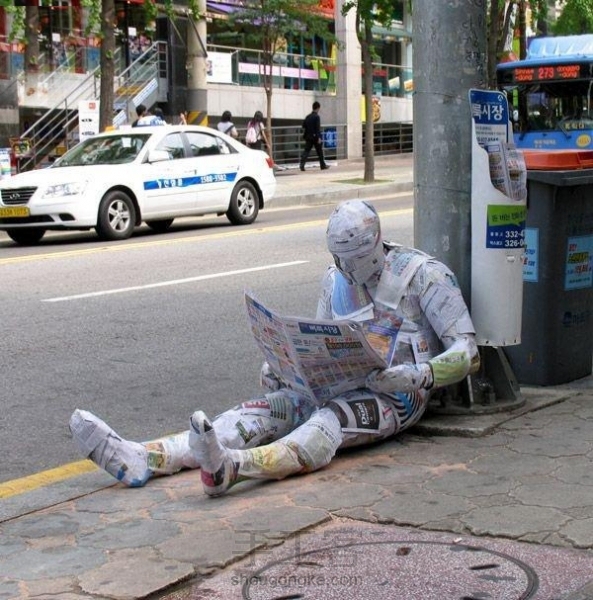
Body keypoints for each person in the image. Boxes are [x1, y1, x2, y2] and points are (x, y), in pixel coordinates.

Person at [69, 200, 480, 496]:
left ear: (376, 244)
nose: (346, 270)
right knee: (261, 411)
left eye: (353, 259)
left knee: (329, 422)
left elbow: (467, 352)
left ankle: (235, 468)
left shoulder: (424, 275)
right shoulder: (334, 280)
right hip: (335, 383)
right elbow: (322, 339)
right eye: (338, 259)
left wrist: (418, 374)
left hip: (397, 396)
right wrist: (287, 368)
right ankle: (147, 456)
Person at [300, 101, 329, 171]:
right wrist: (319, 137)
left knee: (306, 151)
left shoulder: (308, 116)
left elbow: (303, 126)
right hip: (315, 137)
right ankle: (322, 165)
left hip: (308, 136)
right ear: (318, 108)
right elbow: (317, 128)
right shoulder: (317, 117)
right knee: (319, 152)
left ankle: (302, 165)